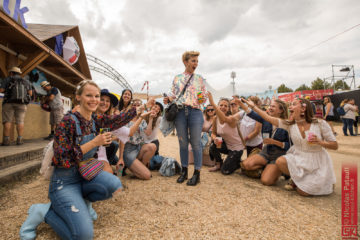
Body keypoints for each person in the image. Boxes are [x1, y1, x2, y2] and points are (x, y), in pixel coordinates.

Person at [39, 80, 136, 239]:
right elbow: (62, 158)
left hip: (85, 175)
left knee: (114, 184)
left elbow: (115, 121)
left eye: (96, 96)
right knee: (83, 236)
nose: (94, 99)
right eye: (89, 95)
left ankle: (80, 202)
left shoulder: (95, 120)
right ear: (78, 97)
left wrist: (137, 109)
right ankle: (44, 212)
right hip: (65, 181)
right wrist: (94, 142)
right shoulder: (67, 121)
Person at [243, 97, 338, 196]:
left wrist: (320, 142)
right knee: (280, 161)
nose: (290, 107)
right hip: (298, 157)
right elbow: (267, 118)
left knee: (303, 192)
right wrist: (253, 106)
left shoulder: (320, 123)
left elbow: (335, 145)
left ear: (303, 108)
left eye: (294, 104)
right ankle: (295, 179)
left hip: (316, 160)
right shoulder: (289, 125)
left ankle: (317, 182)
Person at [163, 51, 207, 186]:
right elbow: (173, 94)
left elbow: (202, 99)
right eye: (193, 61)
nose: (196, 64)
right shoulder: (177, 78)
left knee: (196, 143)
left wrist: (202, 97)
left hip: (195, 112)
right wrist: (168, 98)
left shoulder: (200, 78)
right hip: (180, 112)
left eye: (197, 61)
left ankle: (197, 173)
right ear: (185, 62)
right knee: (182, 142)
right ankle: (184, 171)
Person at [235, 98, 290, 185]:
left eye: (273, 106)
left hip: (278, 155)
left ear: (281, 110)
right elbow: (252, 114)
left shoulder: (287, 124)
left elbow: (290, 145)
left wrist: (275, 142)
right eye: (270, 106)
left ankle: (281, 170)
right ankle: (267, 167)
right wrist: (241, 104)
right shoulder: (266, 120)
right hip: (266, 151)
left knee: (266, 181)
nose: (270, 108)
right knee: (246, 165)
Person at [207, 93, 245, 174]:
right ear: (218, 106)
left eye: (225, 106)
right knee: (213, 146)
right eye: (221, 105)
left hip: (236, 148)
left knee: (225, 171)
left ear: (228, 109)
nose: (223, 107)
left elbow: (223, 119)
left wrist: (212, 103)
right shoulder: (215, 118)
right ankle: (219, 163)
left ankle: (238, 163)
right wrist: (215, 138)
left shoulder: (231, 118)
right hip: (227, 146)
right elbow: (213, 133)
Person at [121, 98, 155, 180]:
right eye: (134, 105)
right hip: (128, 149)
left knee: (152, 146)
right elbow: (121, 139)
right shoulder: (126, 119)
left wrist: (150, 119)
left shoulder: (142, 119)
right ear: (131, 107)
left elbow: (148, 133)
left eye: (138, 105)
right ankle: (137, 168)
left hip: (138, 147)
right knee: (147, 176)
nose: (136, 107)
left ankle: (139, 167)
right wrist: (121, 158)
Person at [0, 67, 32, 146]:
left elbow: (1, 90)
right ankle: (20, 139)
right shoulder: (26, 81)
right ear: (19, 73)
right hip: (22, 104)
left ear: (11, 73)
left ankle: (6, 140)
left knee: (7, 121)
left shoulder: (7, 79)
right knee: (20, 121)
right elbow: (30, 93)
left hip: (8, 103)